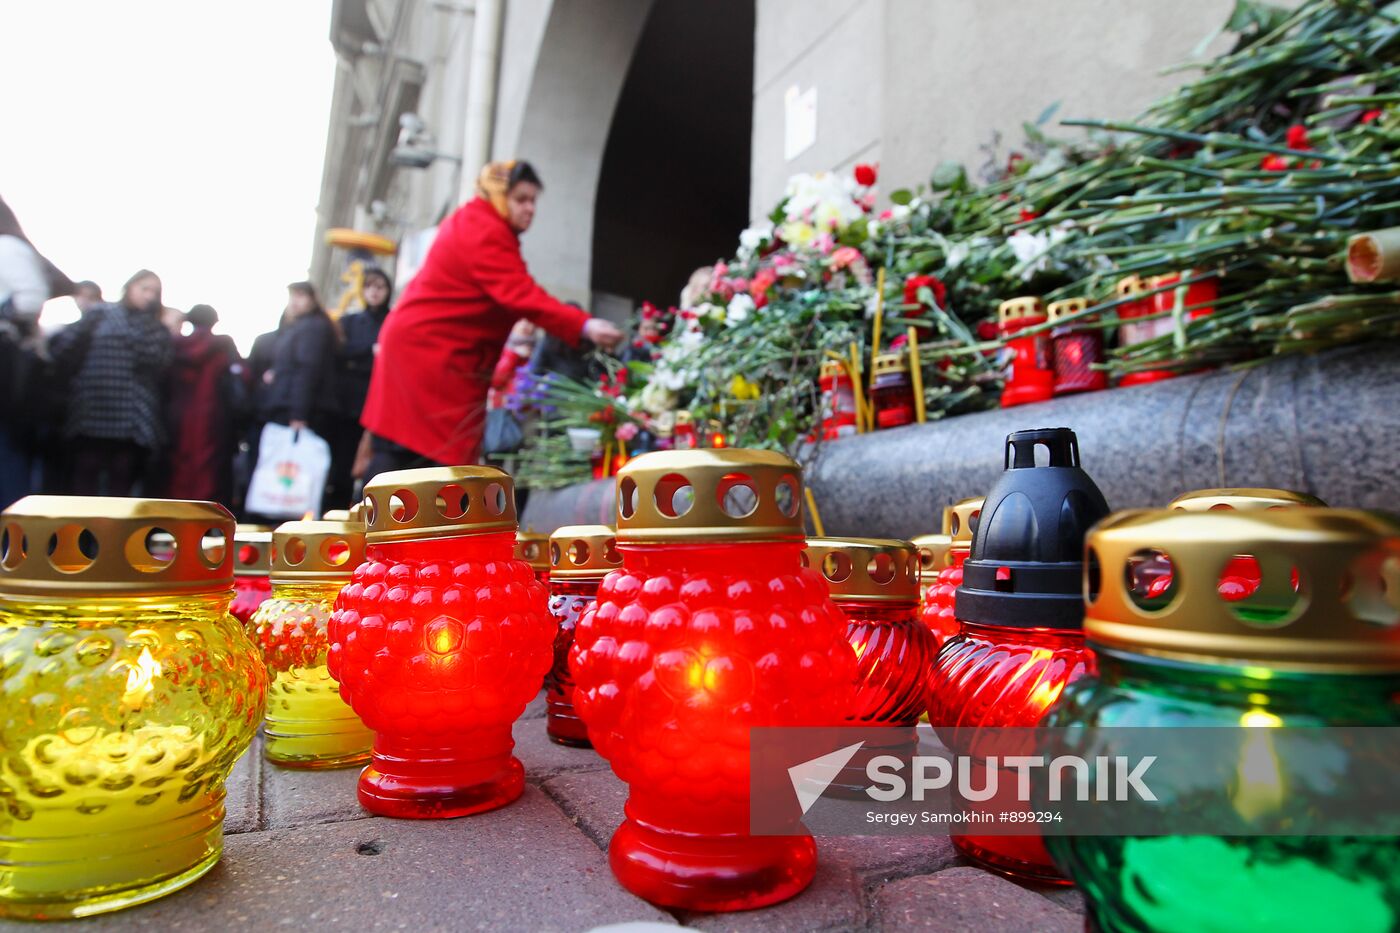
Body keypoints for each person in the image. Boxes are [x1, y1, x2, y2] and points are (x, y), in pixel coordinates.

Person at [360, 160, 623, 476]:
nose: (530, 209)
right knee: (409, 456)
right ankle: (379, 507)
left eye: (533, 200)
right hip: (428, 357)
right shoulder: (483, 228)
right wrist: (583, 325)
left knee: (419, 458)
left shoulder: (480, 223)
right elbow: (520, 293)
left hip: (435, 356)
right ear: (499, 195)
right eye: (521, 199)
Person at [50, 269, 173, 496]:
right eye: (145, 288)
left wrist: (148, 325)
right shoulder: (100, 314)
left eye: (155, 292)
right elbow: (67, 349)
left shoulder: (156, 329)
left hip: (131, 416)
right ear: (130, 287)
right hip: (92, 407)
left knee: (122, 477)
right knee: (86, 472)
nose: (149, 296)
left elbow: (159, 363)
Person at [261, 281, 341, 510]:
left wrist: (299, 414)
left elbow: (307, 370)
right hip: (294, 406)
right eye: (292, 295)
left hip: (299, 411)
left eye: (301, 295)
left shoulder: (312, 327)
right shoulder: (301, 326)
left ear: (313, 299)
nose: (295, 301)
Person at [164, 304, 240, 504]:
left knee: (178, 464)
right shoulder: (223, 345)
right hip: (214, 417)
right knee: (210, 467)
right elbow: (241, 377)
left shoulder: (175, 345)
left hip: (177, 416)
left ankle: (176, 513)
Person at [333, 266, 392, 505]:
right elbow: (339, 351)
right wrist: (369, 351)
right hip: (351, 401)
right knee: (344, 458)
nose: (374, 292)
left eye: (380, 287)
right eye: (369, 286)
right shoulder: (350, 321)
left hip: (381, 398)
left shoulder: (392, 320)